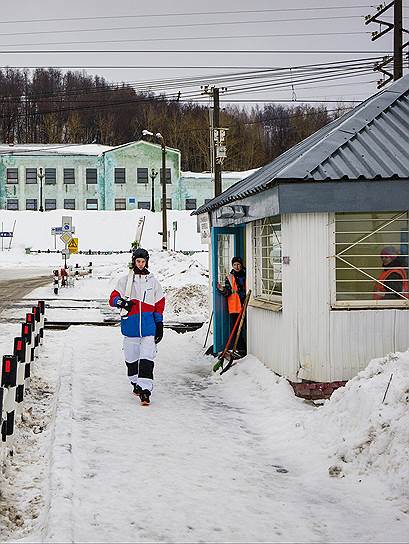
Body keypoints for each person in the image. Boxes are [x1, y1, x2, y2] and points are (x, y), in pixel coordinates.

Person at [109, 247, 165, 405]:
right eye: (138, 261)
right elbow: (113, 298)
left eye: (143, 261)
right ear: (134, 261)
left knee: (147, 358)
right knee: (131, 360)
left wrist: (159, 323)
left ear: (147, 262)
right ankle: (135, 382)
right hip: (130, 328)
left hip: (148, 328)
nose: (140, 264)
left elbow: (159, 303)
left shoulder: (153, 282)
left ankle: (145, 391)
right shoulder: (125, 281)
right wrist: (122, 302)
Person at [217, 256, 247, 354]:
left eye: (238, 264)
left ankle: (246, 347)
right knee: (237, 328)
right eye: (234, 265)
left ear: (241, 265)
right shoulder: (229, 277)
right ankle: (241, 348)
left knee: (247, 327)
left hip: (247, 305)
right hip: (235, 307)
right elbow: (228, 292)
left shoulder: (248, 274)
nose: (237, 267)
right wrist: (222, 289)